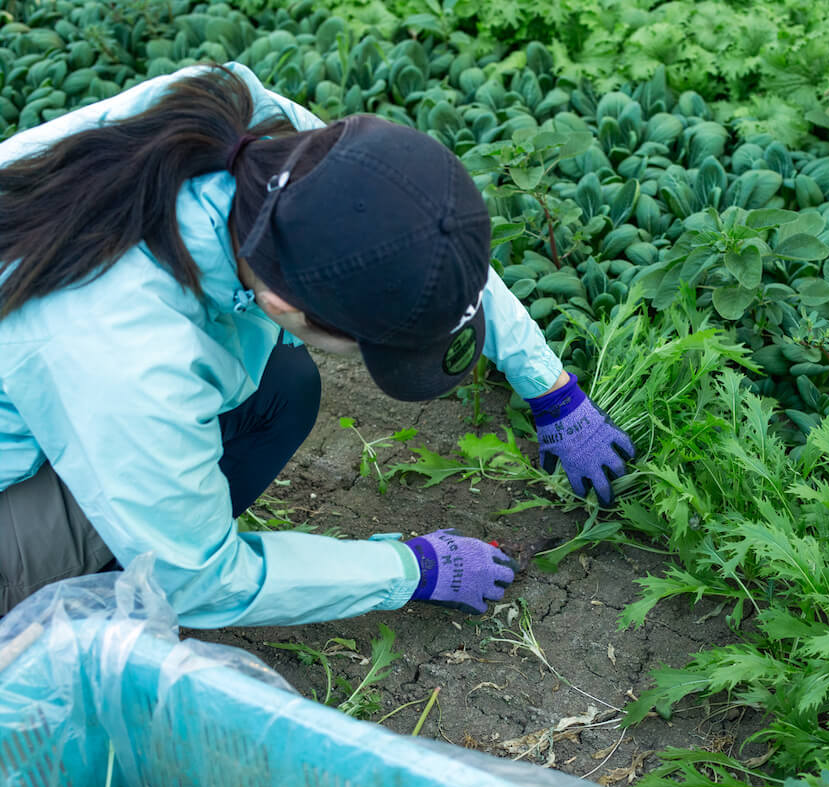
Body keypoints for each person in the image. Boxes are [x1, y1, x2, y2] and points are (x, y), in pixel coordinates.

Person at [0, 63, 635, 627]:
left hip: (53, 378)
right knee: (177, 552)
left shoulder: (268, 135)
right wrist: (406, 569)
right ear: (284, 303)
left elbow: (420, 240)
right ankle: (87, 625)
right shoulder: (129, 354)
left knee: (282, 386)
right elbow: (203, 580)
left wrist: (552, 391)